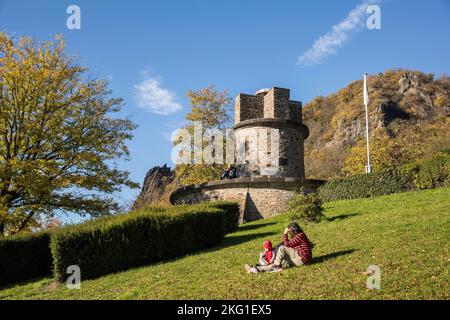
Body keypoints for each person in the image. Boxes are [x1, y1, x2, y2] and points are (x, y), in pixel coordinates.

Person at [245, 222, 312, 273]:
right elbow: (289, 244)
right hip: (301, 260)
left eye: (290, 232)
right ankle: (257, 269)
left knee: (282, 248)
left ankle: (275, 266)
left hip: (302, 259)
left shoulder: (300, 236)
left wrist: (285, 233)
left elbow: (287, 244)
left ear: (293, 230)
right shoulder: (300, 236)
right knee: (281, 262)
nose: (290, 233)